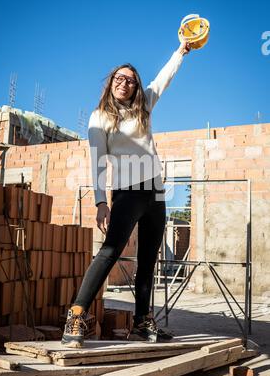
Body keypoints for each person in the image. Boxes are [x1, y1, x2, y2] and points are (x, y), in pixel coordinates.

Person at [62, 39, 191, 347]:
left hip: (155, 194)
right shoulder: (100, 117)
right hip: (127, 193)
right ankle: (76, 316)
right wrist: (101, 202)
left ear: (136, 87)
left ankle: (142, 323)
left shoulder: (143, 106)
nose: (125, 83)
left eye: (131, 80)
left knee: (148, 260)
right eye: (119, 78)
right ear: (111, 84)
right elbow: (98, 162)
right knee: (109, 252)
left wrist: (181, 51)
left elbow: (163, 79)